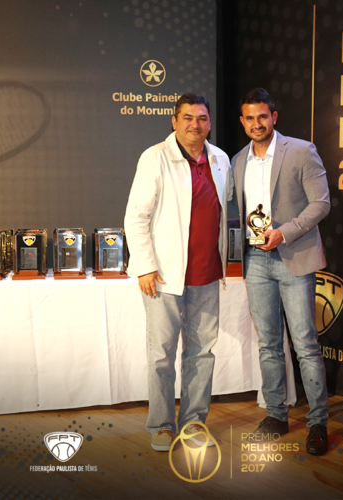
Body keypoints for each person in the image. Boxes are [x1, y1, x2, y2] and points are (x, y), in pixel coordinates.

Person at [124, 93, 232, 452]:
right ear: (174, 121)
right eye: (187, 118)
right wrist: (145, 266)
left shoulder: (220, 159)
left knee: (201, 354)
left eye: (201, 118)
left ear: (210, 123)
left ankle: (193, 424)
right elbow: (136, 216)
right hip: (164, 276)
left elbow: (223, 211)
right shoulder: (155, 157)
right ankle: (160, 425)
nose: (194, 125)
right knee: (161, 355)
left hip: (207, 274)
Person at [230, 88, 330, 456]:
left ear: (274, 117)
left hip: (294, 258)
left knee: (305, 345)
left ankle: (318, 423)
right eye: (249, 118)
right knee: (269, 344)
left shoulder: (301, 151)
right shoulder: (237, 161)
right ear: (242, 122)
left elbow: (321, 203)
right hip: (255, 261)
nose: (256, 123)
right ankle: (275, 415)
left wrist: (284, 233)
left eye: (262, 116)